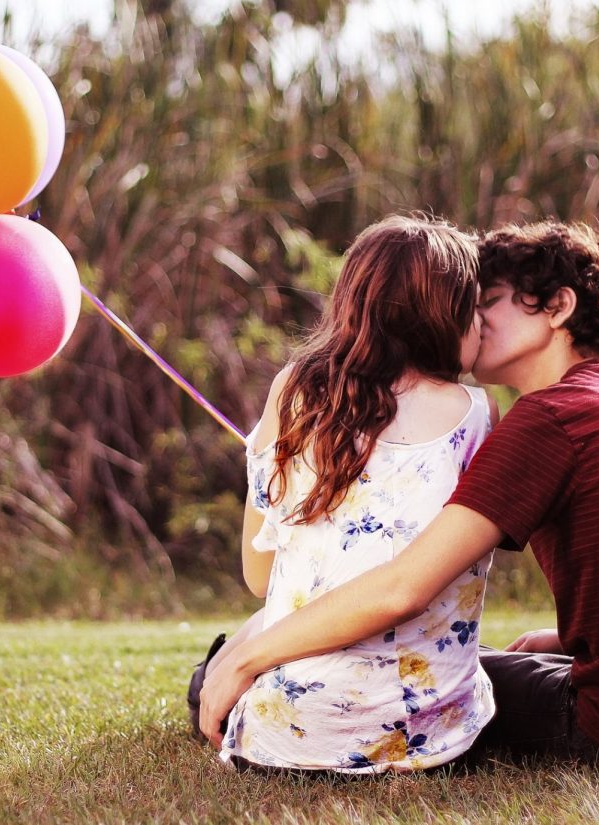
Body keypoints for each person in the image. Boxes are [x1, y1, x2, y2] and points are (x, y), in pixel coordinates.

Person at [198, 220, 599, 768]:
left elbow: (404, 588)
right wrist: (567, 643)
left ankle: (222, 672)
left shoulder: (550, 419)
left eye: (486, 303)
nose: (473, 321)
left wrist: (250, 657)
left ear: (558, 307)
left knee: (422, 675)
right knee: (490, 659)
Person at [190, 213, 501, 773]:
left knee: (230, 656)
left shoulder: (293, 389)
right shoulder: (477, 412)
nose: (482, 325)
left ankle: (215, 681)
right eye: (473, 308)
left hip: (291, 735)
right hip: (432, 735)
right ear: (442, 315)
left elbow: (260, 579)